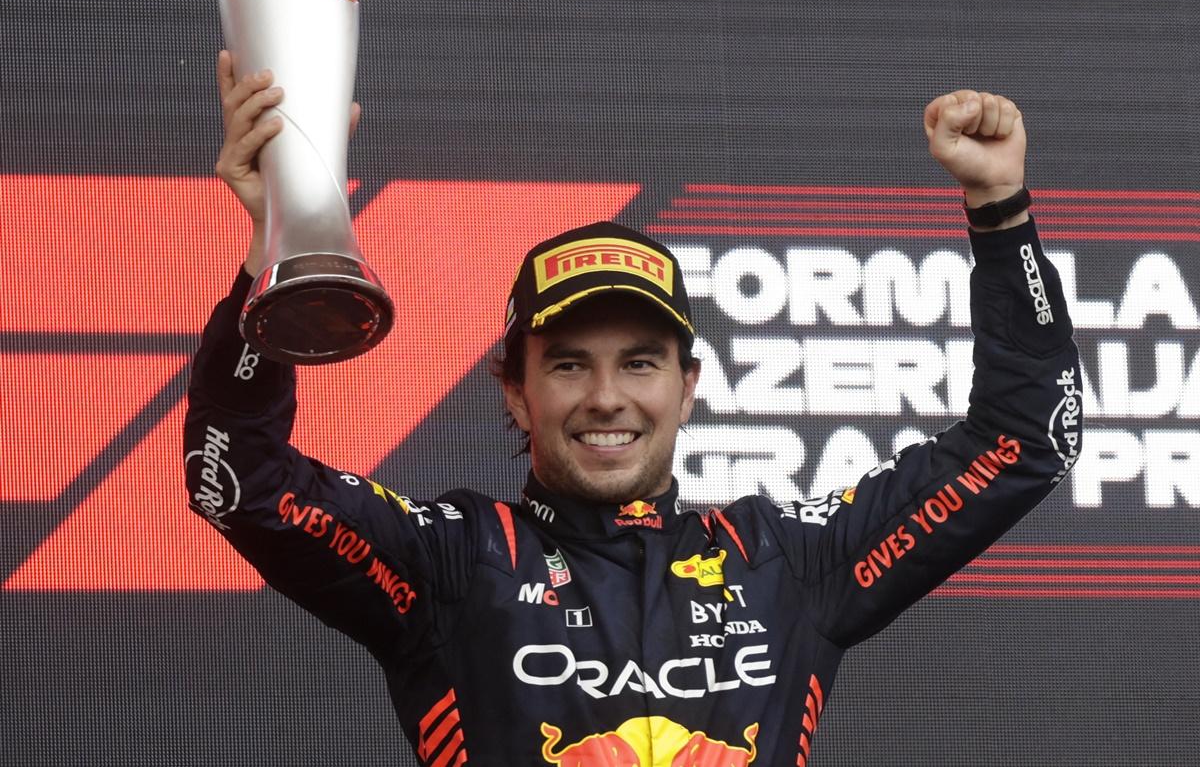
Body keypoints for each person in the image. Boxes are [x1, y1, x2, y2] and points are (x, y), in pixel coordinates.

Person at [185, 50, 1082, 765]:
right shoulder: (450, 560)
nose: (607, 396)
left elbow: (1027, 436)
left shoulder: (785, 560)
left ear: (687, 386)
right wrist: (285, 239)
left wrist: (1000, 211)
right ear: (514, 388)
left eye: (640, 363)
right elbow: (240, 481)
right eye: (569, 364)